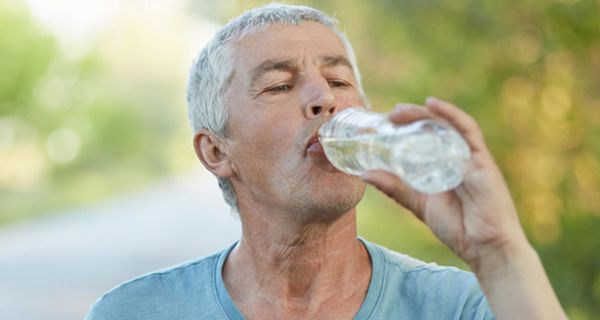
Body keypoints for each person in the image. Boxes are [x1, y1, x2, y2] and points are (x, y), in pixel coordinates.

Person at [86, 3, 567, 319]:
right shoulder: (136, 312)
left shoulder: (459, 306)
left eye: (338, 82)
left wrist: (500, 254)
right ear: (216, 151)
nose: (323, 99)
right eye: (279, 85)